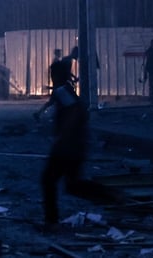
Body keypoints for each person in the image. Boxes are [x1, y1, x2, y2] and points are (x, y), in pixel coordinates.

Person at [41, 58, 119, 230]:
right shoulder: (66, 90)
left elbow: (76, 111)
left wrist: (63, 135)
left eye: (52, 74)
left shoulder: (62, 90)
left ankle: (51, 220)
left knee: (49, 180)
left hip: (67, 147)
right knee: (73, 185)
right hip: (76, 145)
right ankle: (110, 197)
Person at [33, 49, 63, 122]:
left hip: (56, 85)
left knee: (53, 102)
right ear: (57, 53)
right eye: (59, 53)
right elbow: (55, 72)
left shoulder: (56, 61)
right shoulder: (56, 61)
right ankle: (41, 114)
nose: (60, 54)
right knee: (55, 102)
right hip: (57, 85)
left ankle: (39, 113)